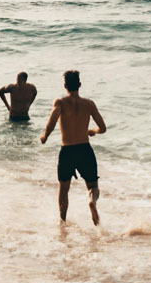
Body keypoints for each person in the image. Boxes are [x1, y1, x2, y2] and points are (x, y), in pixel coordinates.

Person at [39, 70, 106, 225]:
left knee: (64, 189)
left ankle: (62, 222)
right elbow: (103, 128)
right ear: (80, 85)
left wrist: (45, 136)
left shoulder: (60, 102)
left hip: (67, 151)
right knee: (93, 186)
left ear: (65, 86)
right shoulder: (89, 104)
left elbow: (53, 120)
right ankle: (92, 201)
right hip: (85, 150)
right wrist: (93, 131)